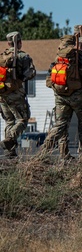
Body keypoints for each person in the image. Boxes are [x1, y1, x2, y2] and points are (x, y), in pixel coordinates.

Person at [43, 34, 82, 160]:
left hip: (60, 97)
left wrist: (58, 89)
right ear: (74, 44)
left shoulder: (57, 59)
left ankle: (47, 150)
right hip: (78, 97)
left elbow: (49, 80)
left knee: (61, 125)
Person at [0, 32, 36, 160]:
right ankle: (10, 138)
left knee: (9, 121)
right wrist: (21, 78)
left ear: (8, 43)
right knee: (23, 119)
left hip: (2, 94)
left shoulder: (2, 56)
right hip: (15, 94)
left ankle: (10, 151)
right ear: (19, 42)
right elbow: (31, 73)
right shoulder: (23, 56)